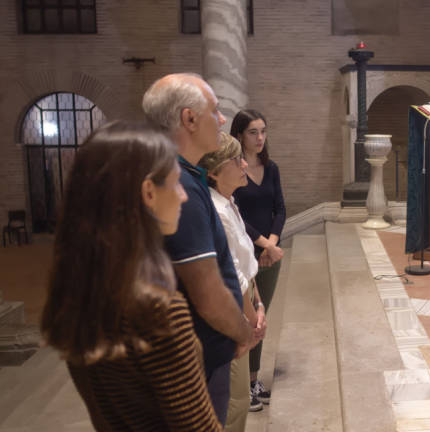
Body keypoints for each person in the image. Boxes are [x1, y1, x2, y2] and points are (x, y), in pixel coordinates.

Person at [40, 121, 222, 431]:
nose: (183, 196)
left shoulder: (77, 293)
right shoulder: (158, 311)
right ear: (149, 192)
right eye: (177, 183)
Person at [142, 73, 261, 424]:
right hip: (196, 358)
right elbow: (206, 290)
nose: (222, 120)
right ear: (189, 119)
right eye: (216, 110)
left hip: (199, 349)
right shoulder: (178, 186)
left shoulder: (184, 176)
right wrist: (242, 333)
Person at [199, 132, 268, 429]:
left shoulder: (229, 202)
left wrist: (259, 301)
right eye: (235, 160)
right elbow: (231, 273)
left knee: (238, 399)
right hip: (232, 309)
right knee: (234, 401)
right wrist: (252, 320)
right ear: (214, 172)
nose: (244, 164)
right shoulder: (217, 211)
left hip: (247, 298)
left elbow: (245, 264)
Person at [230, 109, 286, 408]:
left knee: (262, 318)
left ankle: (253, 380)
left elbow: (280, 209)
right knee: (247, 318)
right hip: (244, 253)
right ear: (239, 135)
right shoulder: (233, 169)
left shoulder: (271, 168)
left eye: (263, 131)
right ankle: (242, 386)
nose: (260, 137)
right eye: (253, 132)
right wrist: (265, 244)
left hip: (269, 254)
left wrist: (273, 245)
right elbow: (235, 215)